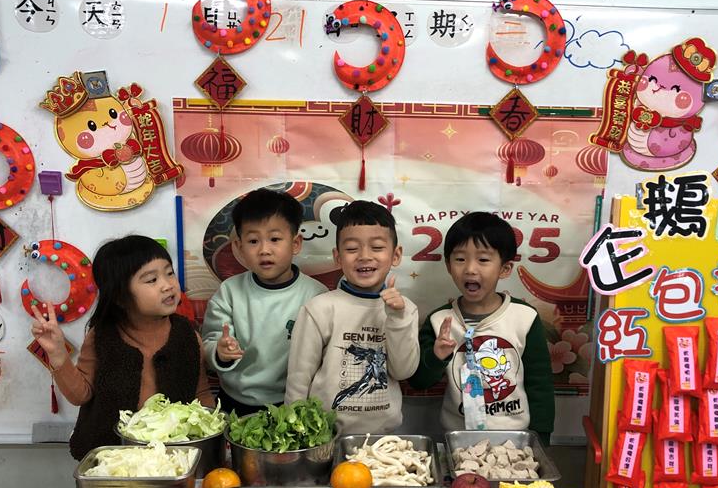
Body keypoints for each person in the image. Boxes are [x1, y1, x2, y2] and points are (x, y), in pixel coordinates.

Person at [29, 235, 213, 460]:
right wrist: (58, 356)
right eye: (151, 280)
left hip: (171, 457)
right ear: (120, 296)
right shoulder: (102, 336)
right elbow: (81, 395)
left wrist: (210, 440)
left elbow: (201, 394)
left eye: (169, 273)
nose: (167, 285)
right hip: (112, 457)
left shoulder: (187, 335)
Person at [408, 212, 555, 441]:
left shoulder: (525, 317)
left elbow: (540, 384)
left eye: (483, 260)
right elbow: (419, 381)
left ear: (505, 269)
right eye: (460, 259)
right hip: (457, 439)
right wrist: (437, 357)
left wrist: (540, 439)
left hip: (515, 438)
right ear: (448, 265)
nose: (470, 269)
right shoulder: (439, 321)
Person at [285, 201, 419, 433]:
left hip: (384, 438)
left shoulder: (406, 309)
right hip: (324, 435)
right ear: (337, 257)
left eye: (377, 247)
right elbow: (299, 377)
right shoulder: (320, 308)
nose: (364, 256)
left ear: (396, 255)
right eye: (352, 248)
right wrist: (294, 428)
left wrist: (397, 318)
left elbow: (403, 371)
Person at [201, 188, 327, 417]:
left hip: (293, 402)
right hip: (234, 401)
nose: (264, 250)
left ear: (296, 243)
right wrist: (219, 351)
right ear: (239, 248)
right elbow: (210, 342)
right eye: (253, 241)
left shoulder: (317, 295)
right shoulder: (230, 292)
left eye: (275, 239)